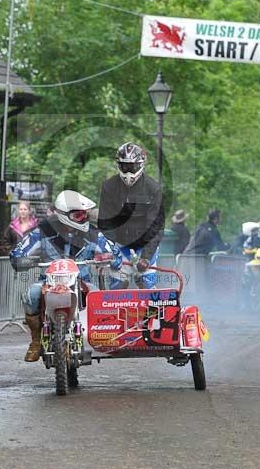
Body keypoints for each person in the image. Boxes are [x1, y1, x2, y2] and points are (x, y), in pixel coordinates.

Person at [11, 190, 122, 362]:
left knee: (97, 297)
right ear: (64, 214)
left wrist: (110, 258)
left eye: (85, 215)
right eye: (78, 215)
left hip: (81, 281)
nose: (84, 219)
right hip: (48, 282)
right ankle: (36, 340)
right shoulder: (43, 230)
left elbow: (115, 255)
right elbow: (19, 252)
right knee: (31, 294)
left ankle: (101, 338)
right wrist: (20, 260)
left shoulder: (93, 233)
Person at [98, 142, 164, 288]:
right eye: (124, 166)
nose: (128, 172)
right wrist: (112, 250)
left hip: (145, 245)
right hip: (120, 245)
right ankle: (116, 309)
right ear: (118, 165)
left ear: (141, 165)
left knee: (147, 287)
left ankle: (151, 307)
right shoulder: (109, 186)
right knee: (117, 287)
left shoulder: (153, 189)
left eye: (132, 167)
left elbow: (155, 226)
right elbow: (105, 223)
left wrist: (146, 257)